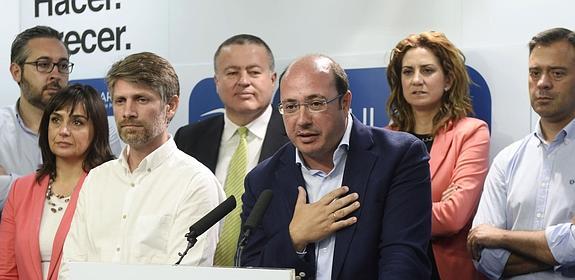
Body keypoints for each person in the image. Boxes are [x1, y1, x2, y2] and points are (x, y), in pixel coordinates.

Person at [240, 54, 432, 279]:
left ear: (345, 102)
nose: (302, 119)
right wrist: (294, 238)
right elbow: (250, 269)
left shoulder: (399, 157)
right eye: (291, 106)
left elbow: (403, 261)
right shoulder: (262, 181)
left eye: (316, 103)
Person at [59, 52, 225, 278]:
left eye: (141, 99)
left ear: (171, 106)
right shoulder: (96, 180)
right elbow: (71, 268)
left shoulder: (196, 183)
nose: (128, 112)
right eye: (120, 101)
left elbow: (185, 275)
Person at [468, 27, 575, 279]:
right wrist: (561, 255)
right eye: (534, 72)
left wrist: (503, 237)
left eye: (557, 73)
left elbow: (492, 239)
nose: (542, 83)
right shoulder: (507, 160)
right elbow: (484, 256)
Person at [174, 34, 289, 266]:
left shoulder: (295, 138)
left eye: (254, 72)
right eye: (232, 72)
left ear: (273, 79)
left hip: (269, 269)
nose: (243, 81)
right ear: (216, 81)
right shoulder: (189, 139)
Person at [386, 31, 490, 280]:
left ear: (448, 80)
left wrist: (390, 213)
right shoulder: (383, 138)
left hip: (446, 271)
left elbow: (453, 217)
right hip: (392, 267)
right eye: (408, 71)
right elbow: (365, 213)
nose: (416, 80)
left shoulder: (471, 132)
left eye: (427, 70)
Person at [0, 25, 121, 211]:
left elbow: (100, 197)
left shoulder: (99, 130)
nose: (55, 74)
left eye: (63, 66)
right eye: (43, 64)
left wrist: (10, 182)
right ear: (17, 72)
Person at [0, 84, 115, 280]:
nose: (63, 131)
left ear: (97, 130)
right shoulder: (21, 189)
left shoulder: (108, 187)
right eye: (56, 120)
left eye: (77, 122)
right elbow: (7, 271)